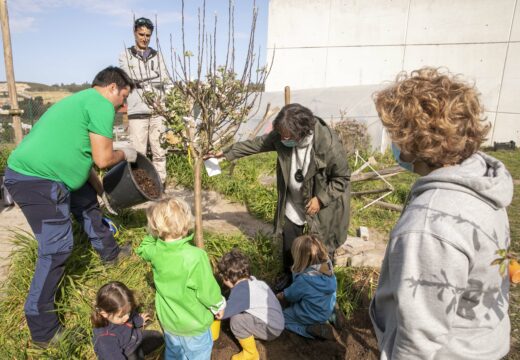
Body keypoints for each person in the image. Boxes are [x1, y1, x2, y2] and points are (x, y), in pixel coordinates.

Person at [369, 67, 512, 359]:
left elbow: (419, 338)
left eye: (395, 133)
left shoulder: (429, 223)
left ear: (412, 141)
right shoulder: (484, 185)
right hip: (480, 339)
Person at [4, 66, 136, 347]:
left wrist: (103, 194)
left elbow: (85, 162)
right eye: (123, 97)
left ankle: (110, 253)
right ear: (112, 87)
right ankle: (44, 331)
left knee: (87, 203)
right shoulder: (101, 104)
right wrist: (127, 153)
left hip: (45, 175)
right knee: (56, 249)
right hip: (38, 181)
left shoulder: (81, 100)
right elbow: (103, 159)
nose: (122, 105)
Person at [207, 103, 350, 292]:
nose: (283, 139)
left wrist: (321, 199)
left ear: (302, 131)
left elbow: (342, 178)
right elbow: (256, 144)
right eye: (281, 134)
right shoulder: (283, 136)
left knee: (321, 246)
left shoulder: (328, 144)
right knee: (290, 240)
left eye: (287, 136)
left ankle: (321, 286)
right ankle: (290, 276)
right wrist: (225, 153)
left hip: (322, 202)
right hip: (294, 198)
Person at [136, 197, 226, 359]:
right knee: (198, 353)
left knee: (174, 352)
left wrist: (154, 235)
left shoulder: (156, 251)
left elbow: (142, 249)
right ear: (186, 225)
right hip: (193, 324)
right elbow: (207, 289)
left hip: (169, 321)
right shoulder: (196, 256)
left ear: (156, 228)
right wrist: (218, 305)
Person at [119, 17, 172, 185]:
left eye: (148, 35)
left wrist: (141, 80)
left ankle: (160, 183)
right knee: (137, 153)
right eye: (141, 34)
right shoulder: (125, 55)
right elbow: (128, 78)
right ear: (135, 32)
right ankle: (139, 186)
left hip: (158, 111)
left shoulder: (158, 56)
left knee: (159, 151)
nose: (144, 38)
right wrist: (154, 76)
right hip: (136, 111)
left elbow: (166, 80)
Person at [216, 249, 284, 360]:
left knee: (236, 321)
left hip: (271, 330)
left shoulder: (242, 293)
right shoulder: (254, 282)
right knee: (240, 316)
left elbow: (221, 314)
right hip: (277, 322)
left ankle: (251, 354)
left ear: (227, 278)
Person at [276, 234, 337, 340]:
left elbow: (290, 296)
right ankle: (332, 316)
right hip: (326, 308)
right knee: (320, 300)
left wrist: (280, 296)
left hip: (310, 315)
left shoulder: (305, 280)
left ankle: (309, 330)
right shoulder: (328, 267)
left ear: (300, 259)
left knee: (282, 318)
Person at [92, 281, 164, 360]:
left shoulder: (122, 313)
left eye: (128, 312)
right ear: (104, 313)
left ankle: (141, 352)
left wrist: (139, 320)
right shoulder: (105, 339)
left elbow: (132, 317)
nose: (127, 317)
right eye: (121, 316)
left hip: (135, 339)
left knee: (158, 337)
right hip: (126, 354)